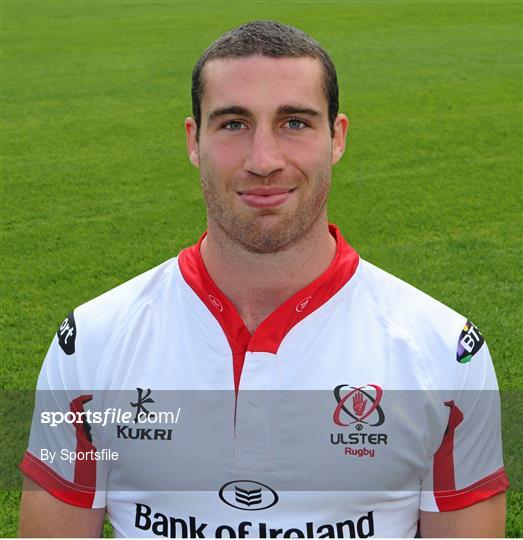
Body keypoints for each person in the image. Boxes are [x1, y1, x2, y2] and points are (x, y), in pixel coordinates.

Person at [19, 20, 508, 538]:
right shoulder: (90, 343)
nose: (264, 161)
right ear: (194, 140)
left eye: (295, 123)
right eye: (233, 124)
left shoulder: (444, 353)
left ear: (336, 138)